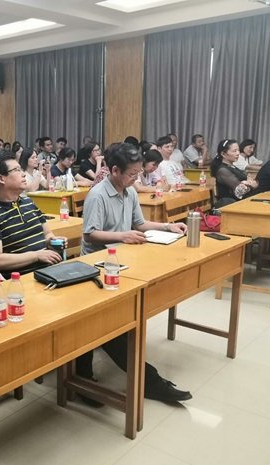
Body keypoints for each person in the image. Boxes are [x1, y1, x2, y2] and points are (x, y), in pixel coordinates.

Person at [78, 143, 191, 403]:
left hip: (124, 261)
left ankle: (136, 374)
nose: (136, 178)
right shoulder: (97, 195)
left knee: (123, 319)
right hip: (98, 266)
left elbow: (139, 224)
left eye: (139, 172)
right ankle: (143, 380)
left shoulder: (128, 192)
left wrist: (168, 226)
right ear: (115, 170)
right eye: (132, 173)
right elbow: (90, 234)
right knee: (107, 325)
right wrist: (123, 236)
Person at [0, 151, 67, 277]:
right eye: (17, 170)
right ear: (1, 178)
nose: (23, 174)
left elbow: (47, 233)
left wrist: (51, 241)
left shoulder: (29, 203)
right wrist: (36, 256)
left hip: (49, 271)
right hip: (21, 279)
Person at [210, 139, 258, 203]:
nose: (238, 153)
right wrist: (251, 184)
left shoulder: (233, 167)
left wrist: (248, 183)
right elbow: (240, 190)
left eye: (238, 150)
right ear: (223, 154)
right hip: (230, 204)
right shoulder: (223, 170)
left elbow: (251, 181)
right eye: (234, 151)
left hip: (243, 201)